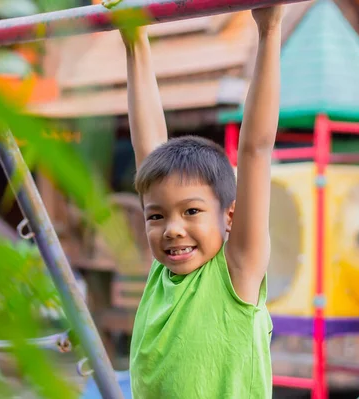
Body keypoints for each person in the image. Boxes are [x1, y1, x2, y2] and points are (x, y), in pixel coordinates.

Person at [117, 5, 283, 398]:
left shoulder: (236, 272)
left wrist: (269, 29)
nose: (172, 228)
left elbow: (256, 150)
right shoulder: (163, 277)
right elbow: (150, 148)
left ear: (230, 216)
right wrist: (134, 41)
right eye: (156, 216)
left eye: (191, 211)